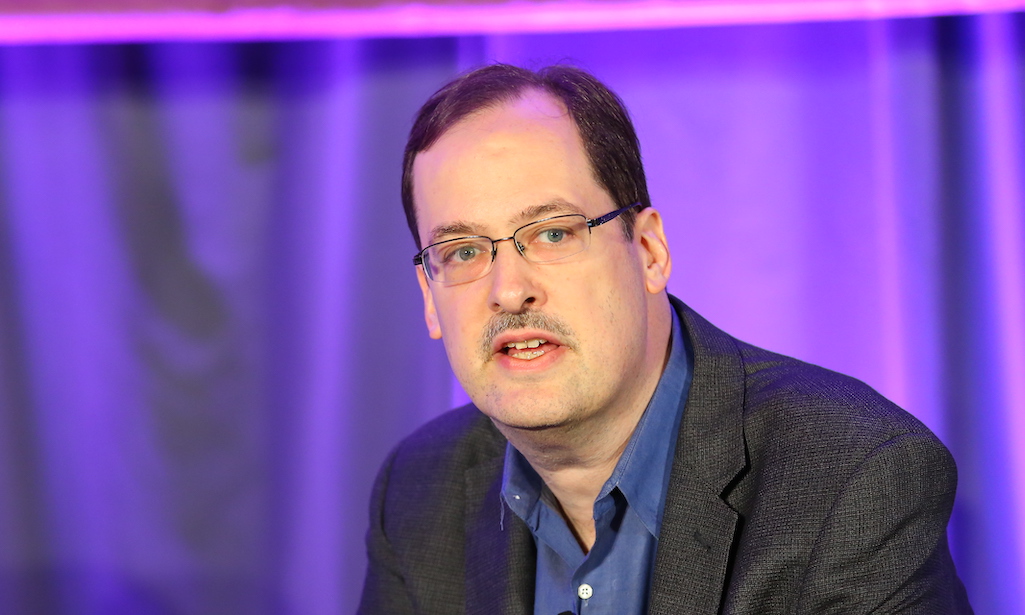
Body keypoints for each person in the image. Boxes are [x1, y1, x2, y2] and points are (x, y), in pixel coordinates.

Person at [358, 64, 972, 614]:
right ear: (429, 296)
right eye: (462, 251)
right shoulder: (419, 489)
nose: (509, 290)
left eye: (553, 234)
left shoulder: (852, 477)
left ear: (649, 251)